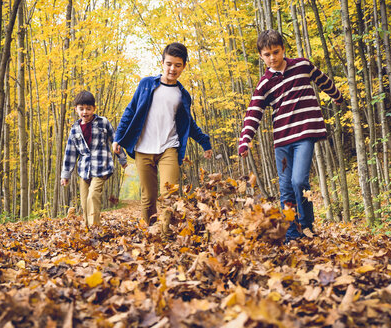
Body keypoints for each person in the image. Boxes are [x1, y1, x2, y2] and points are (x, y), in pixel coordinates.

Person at [238, 30, 343, 243]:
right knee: (285, 188)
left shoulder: (302, 66)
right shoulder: (265, 83)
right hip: (282, 141)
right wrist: (245, 140)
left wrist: (337, 96)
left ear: (283, 49)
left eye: (276, 52)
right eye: (267, 55)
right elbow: (253, 113)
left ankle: (306, 224)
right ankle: (292, 234)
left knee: (299, 181)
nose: (272, 58)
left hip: (304, 135)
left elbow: (323, 80)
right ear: (261, 56)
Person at [112, 42, 212, 227]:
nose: (172, 69)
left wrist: (204, 142)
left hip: (169, 148)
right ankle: (150, 233)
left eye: (177, 65)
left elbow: (188, 124)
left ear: (183, 67)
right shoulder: (147, 84)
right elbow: (130, 111)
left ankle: (166, 233)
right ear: (162, 63)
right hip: (143, 148)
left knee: (170, 193)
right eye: (169, 64)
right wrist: (118, 136)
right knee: (148, 197)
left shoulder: (182, 95)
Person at [61, 90, 127, 228]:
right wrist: (65, 174)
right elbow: (70, 153)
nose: (85, 112)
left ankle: (94, 227)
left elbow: (115, 141)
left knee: (93, 195)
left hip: (102, 167)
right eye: (81, 109)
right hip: (84, 170)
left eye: (88, 109)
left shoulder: (103, 122)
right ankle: (87, 229)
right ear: (76, 109)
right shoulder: (75, 129)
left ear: (94, 109)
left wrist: (122, 159)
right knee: (84, 202)